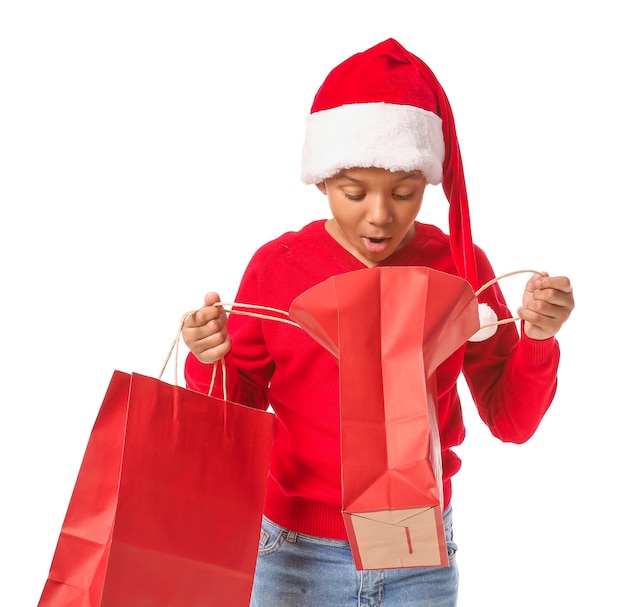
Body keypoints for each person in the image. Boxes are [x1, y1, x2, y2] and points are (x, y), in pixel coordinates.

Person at [182, 39, 574, 607]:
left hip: (416, 547)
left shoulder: (460, 267)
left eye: (404, 192)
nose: (380, 214)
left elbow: (511, 420)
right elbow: (235, 413)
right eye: (354, 192)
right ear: (321, 181)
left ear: (427, 182)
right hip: (295, 548)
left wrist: (536, 341)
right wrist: (210, 356)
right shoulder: (278, 268)